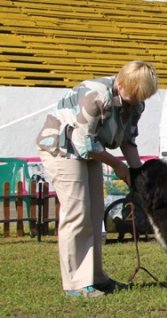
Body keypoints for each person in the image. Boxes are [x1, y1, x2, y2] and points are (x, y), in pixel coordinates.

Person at [35, 60, 159, 297]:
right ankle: (76, 284)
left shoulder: (136, 104)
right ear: (122, 83)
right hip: (62, 148)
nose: (137, 100)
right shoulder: (96, 95)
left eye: (142, 95)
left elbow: (127, 140)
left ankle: (95, 277)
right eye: (134, 94)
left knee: (94, 213)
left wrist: (138, 174)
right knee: (77, 212)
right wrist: (118, 166)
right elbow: (84, 142)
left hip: (90, 148)